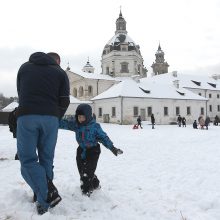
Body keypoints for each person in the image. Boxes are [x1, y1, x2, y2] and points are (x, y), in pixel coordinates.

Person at [16, 52, 70, 215]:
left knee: (27, 159)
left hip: (27, 117)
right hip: (50, 119)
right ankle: (43, 198)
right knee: (47, 158)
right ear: (57, 61)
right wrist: (55, 116)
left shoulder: (24, 68)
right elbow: (65, 100)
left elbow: (21, 92)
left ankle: (44, 194)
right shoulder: (60, 72)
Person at [59, 104, 123, 197]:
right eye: (78, 117)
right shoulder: (76, 124)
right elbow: (64, 123)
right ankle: (95, 184)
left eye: (82, 117)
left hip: (93, 151)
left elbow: (104, 138)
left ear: (88, 116)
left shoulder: (95, 127)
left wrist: (112, 148)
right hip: (81, 150)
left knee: (87, 173)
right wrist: (52, 121)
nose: (80, 119)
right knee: (82, 171)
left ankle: (86, 192)